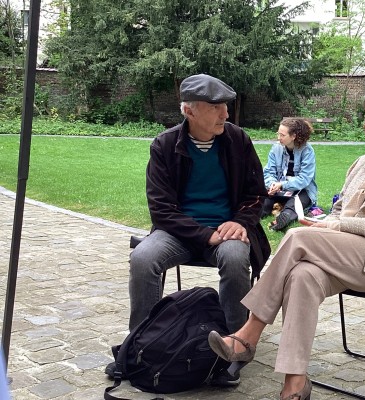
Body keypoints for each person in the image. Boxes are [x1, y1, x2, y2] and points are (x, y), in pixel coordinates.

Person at [207, 85, 365, 400]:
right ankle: (295, 382)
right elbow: (337, 209)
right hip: (345, 254)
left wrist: (334, 225)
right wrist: (326, 222)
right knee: (302, 275)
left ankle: (248, 334)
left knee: (296, 236)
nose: (363, 124)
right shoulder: (364, 162)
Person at [105, 74, 271, 387]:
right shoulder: (165, 144)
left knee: (236, 259)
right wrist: (204, 234)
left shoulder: (238, 140)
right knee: (143, 258)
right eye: (216, 107)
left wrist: (241, 221)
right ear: (189, 111)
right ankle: (139, 345)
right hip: (178, 231)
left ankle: (234, 348)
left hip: (227, 230)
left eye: (225, 106)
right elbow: (161, 209)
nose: (225, 114)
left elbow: (256, 194)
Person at [261, 118, 318, 230]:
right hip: (279, 189)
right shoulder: (276, 148)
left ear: (293, 136)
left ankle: (284, 217)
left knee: (294, 204)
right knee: (264, 201)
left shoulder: (307, 151)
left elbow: (304, 179)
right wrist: (272, 184)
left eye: (282, 135)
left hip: (302, 190)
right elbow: (268, 171)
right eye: (278, 134)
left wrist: (282, 185)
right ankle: (256, 214)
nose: (278, 138)